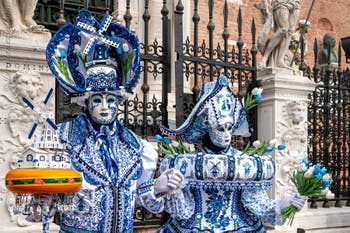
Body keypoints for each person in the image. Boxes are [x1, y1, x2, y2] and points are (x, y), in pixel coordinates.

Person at [46, 9, 183, 233]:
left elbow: (141, 200)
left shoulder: (135, 146)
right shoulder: (63, 139)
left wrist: (158, 187)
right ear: (86, 101)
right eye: (98, 99)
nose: (104, 106)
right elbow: (45, 207)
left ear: (119, 101)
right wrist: (47, 200)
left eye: (111, 100)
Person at [157, 75, 307, 232]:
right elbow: (183, 212)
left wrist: (285, 204)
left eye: (230, 127)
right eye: (221, 128)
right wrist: (175, 191)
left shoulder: (244, 163)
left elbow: (258, 204)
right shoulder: (186, 163)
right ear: (208, 127)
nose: (227, 134)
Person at [257, 0, 301, 68]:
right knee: (283, 29)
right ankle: (264, 58)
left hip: (296, 3)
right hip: (282, 2)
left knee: (290, 32)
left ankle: (280, 60)